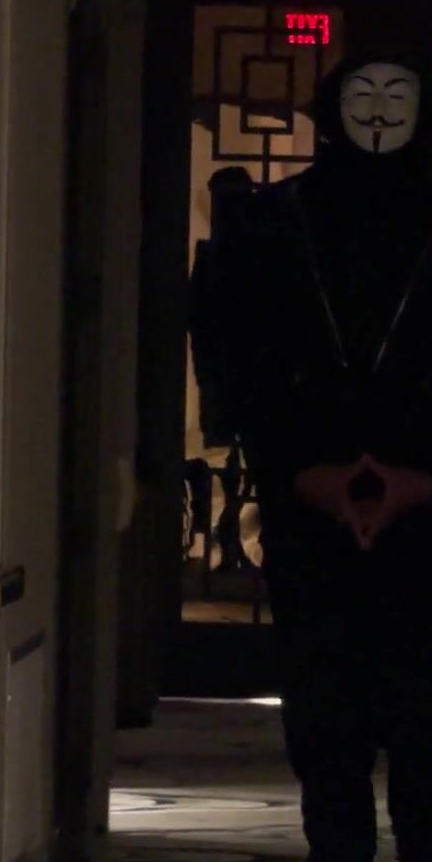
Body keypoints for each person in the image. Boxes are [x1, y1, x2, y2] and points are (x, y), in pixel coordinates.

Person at [196, 45, 432, 862]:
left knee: (426, 740)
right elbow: (236, 359)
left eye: (398, 96)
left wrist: (426, 472)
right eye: (362, 95)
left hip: (426, 524)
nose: (379, 112)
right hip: (312, 524)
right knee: (327, 737)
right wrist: (310, 472)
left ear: (425, 113)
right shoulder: (271, 226)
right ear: (328, 107)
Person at [190, 165, 259, 572]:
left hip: (242, 374)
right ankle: (229, 537)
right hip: (229, 373)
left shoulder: (238, 256)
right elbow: (199, 319)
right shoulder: (221, 256)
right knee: (230, 459)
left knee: (242, 460)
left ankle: (234, 537)